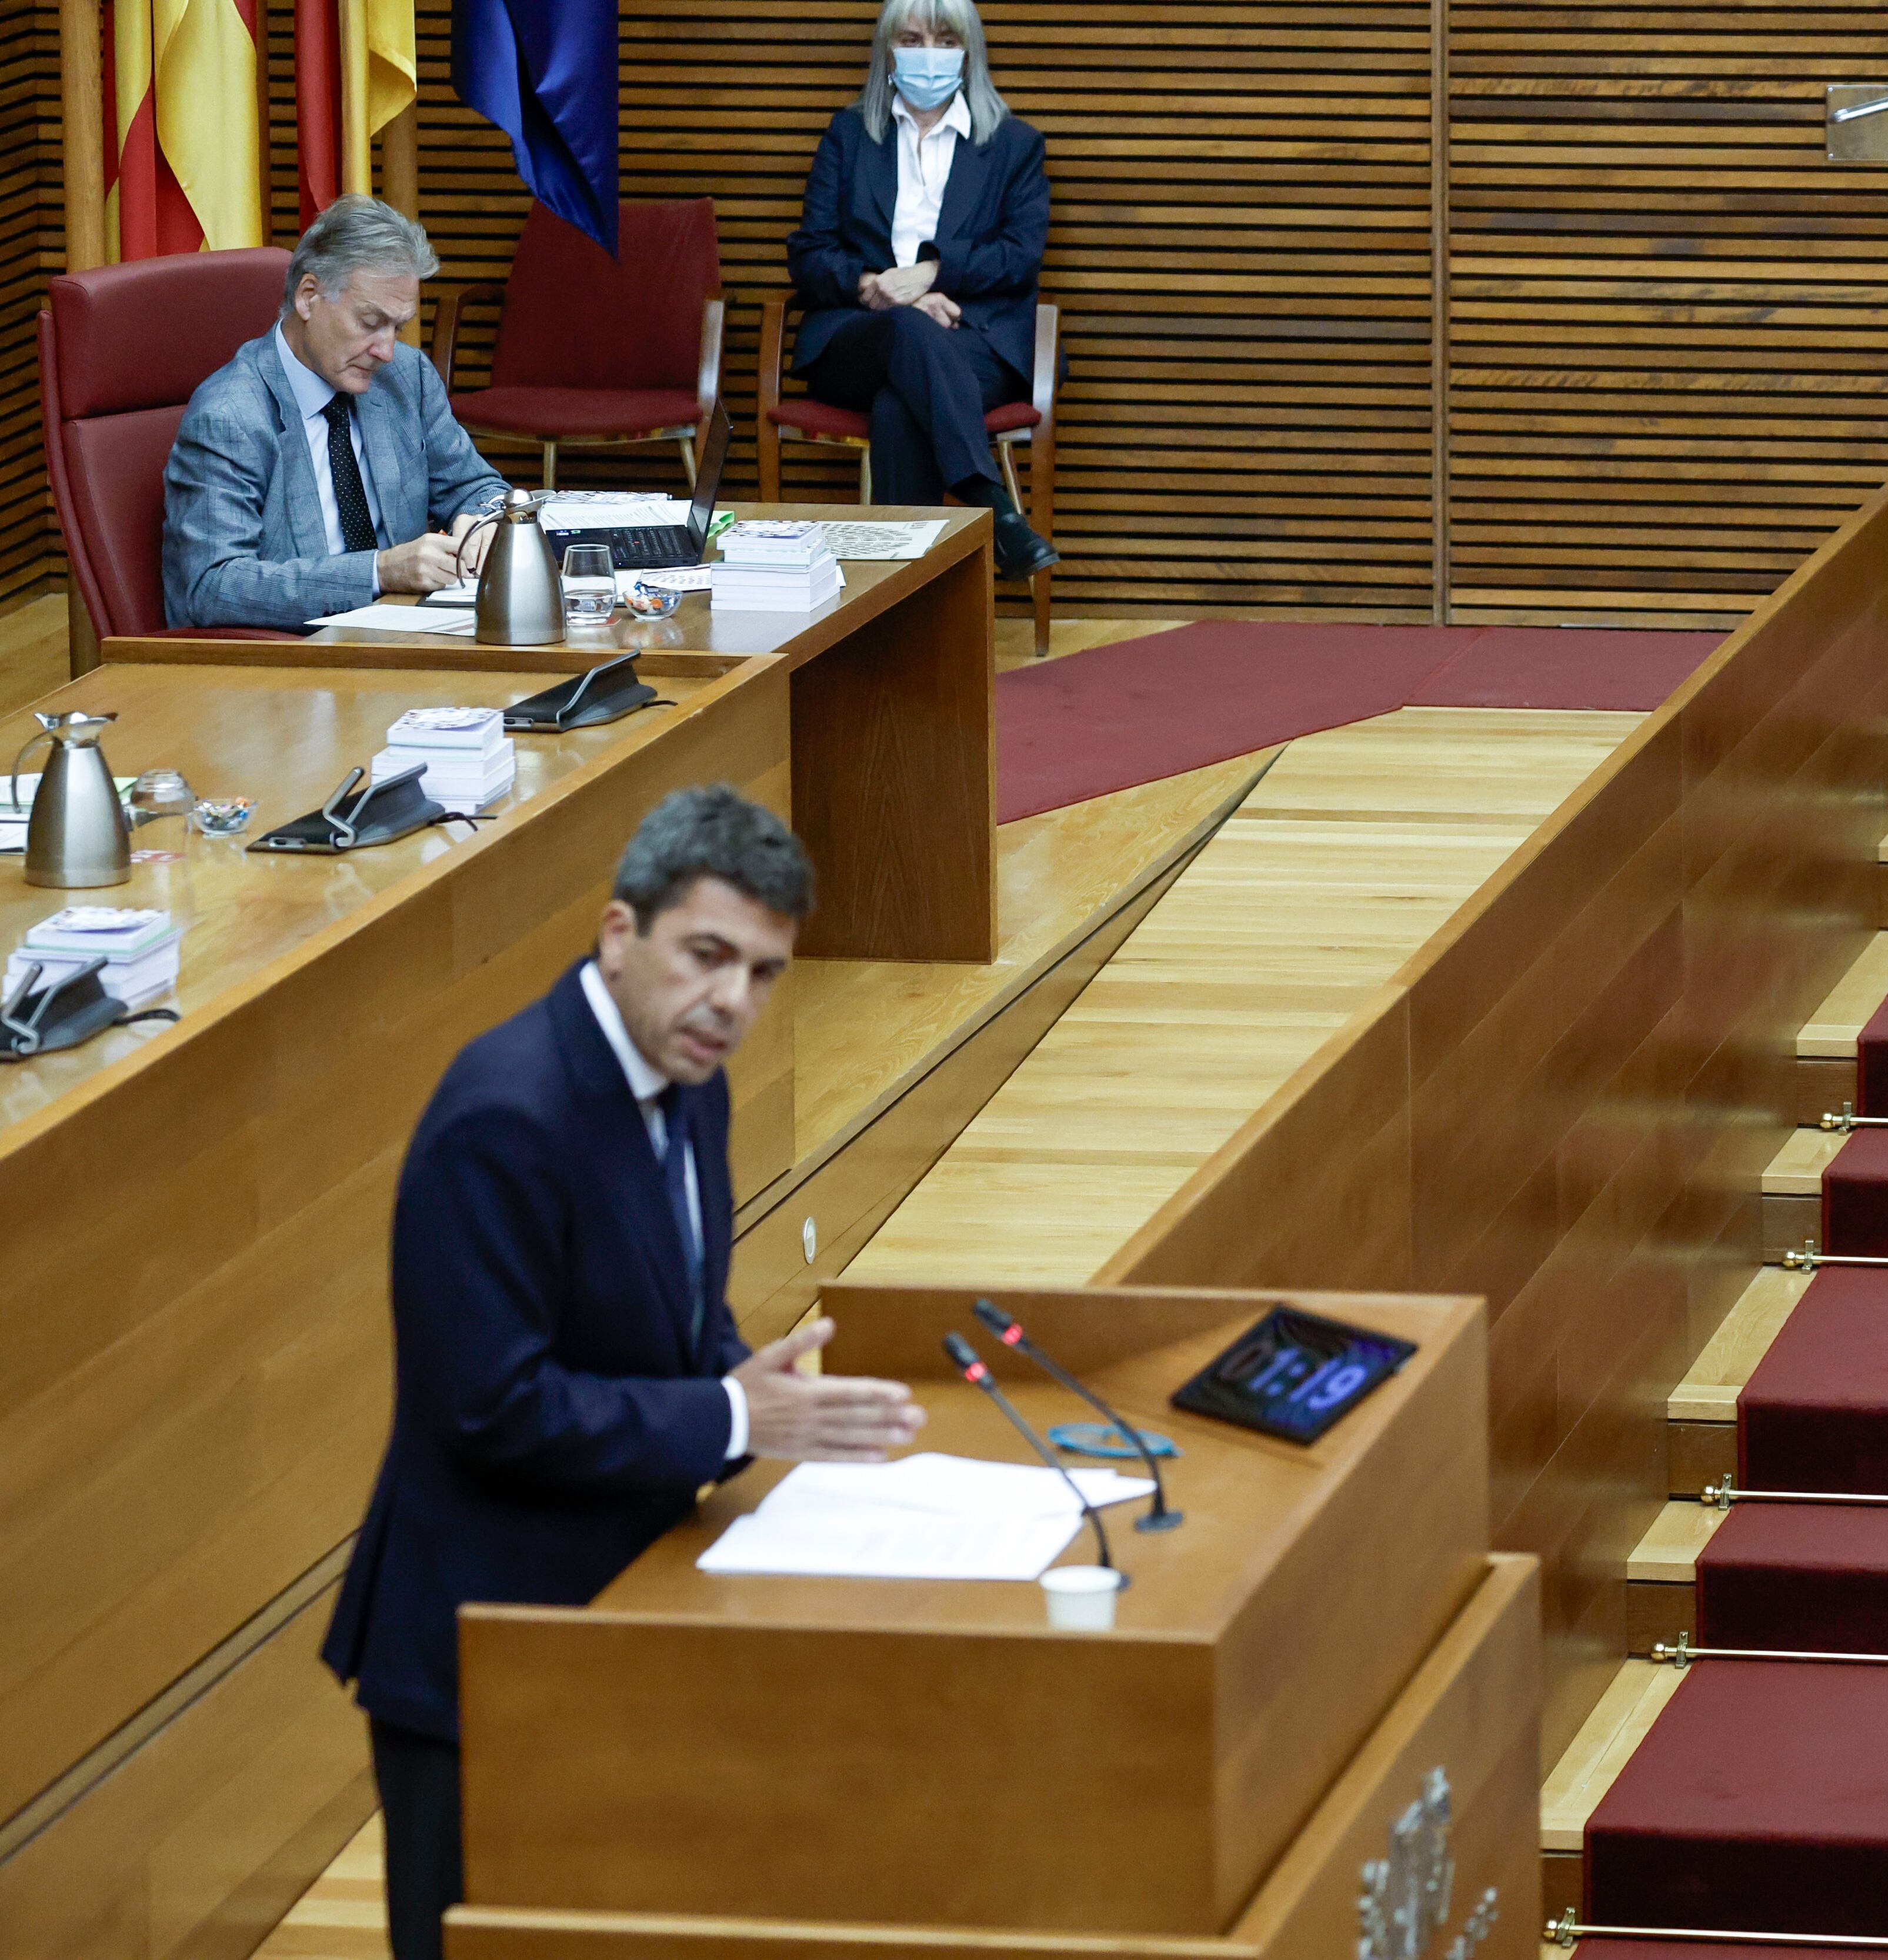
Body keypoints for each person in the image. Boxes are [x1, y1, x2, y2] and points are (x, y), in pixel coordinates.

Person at [320, 787, 926, 1960]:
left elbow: (676, 1316)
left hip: (621, 1612)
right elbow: (495, 1407)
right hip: (487, 1652)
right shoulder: (505, 1116)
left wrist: (748, 1388)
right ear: (618, 934)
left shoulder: (688, 1083)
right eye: (708, 957)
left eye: (761, 973)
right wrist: (730, 1410)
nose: (732, 1003)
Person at [785, 0, 1059, 576]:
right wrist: (879, 288)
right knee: (905, 330)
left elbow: (1019, 256)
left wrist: (931, 275)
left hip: (972, 342)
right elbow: (809, 254)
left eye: (943, 40)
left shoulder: (1013, 146)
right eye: (911, 40)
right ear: (887, 53)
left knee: (899, 406)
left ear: (969, 54)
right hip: (856, 339)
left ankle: (905, 606)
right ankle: (994, 509)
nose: (927, 55)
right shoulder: (850, 135)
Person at [162, 195, 509, 630]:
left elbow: (477, 486)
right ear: (309, 297)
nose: (386, 350)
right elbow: (211, 586)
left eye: (397, 327)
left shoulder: (406, 376)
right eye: (370, 322)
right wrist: (377, 572)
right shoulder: (231, 415)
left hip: (408, 637)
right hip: (285, 667)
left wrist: (486, 521)